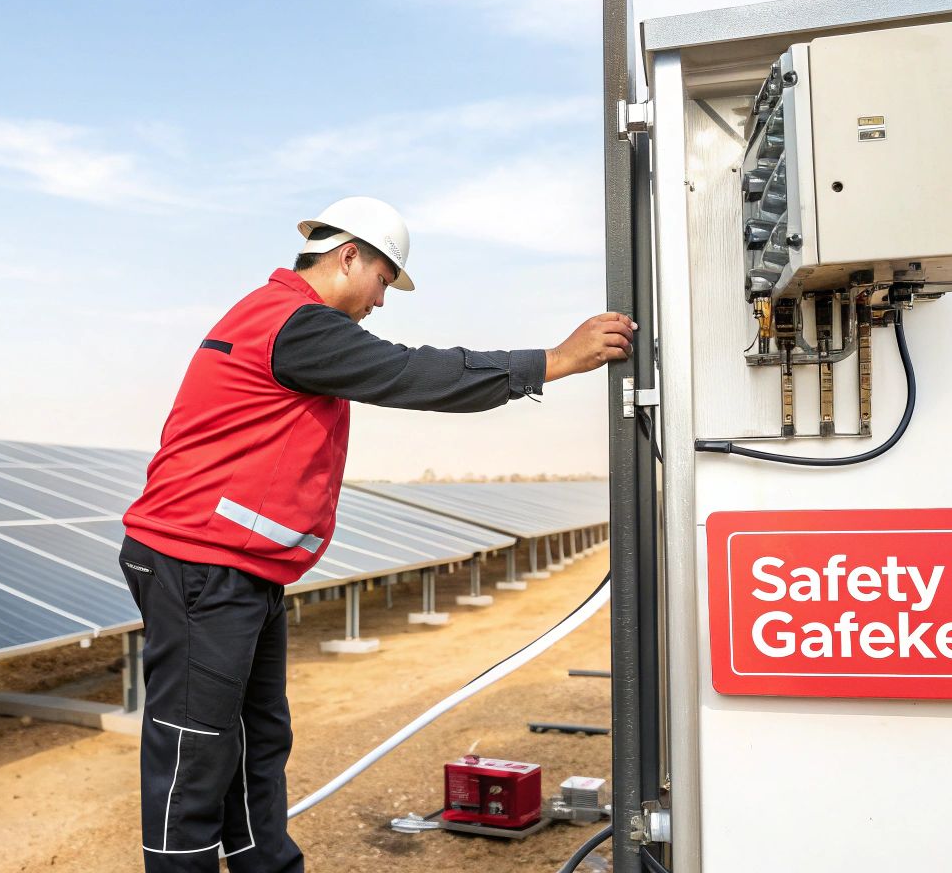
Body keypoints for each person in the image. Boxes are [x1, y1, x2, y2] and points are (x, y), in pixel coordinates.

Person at [118, 196, 634, 871]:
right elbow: (411, 372)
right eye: (385, 281)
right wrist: (553, 361)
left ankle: (265, 864)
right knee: (195, 753)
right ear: (349, 255)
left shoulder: (279, 321)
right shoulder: (296, 326)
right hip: (200, 566)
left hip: (237, 569)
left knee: (257, 739)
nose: (382, 301)